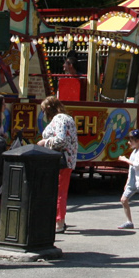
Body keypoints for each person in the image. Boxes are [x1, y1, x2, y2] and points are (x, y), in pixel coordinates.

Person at [39, 95, 78, 233]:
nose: (44, 114)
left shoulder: (59, 119)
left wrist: (44, 142)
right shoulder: (68, 118)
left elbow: (60, 140)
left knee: (58, 191)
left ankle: (59, 221)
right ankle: (59, 219)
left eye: (44, 111)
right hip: (67, 159)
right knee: (60, 191)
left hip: (60, 160)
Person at [117, 129, 139, 230]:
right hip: (133, 181)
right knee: (124, 199)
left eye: (131, 141)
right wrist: (128, 182)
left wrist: (125, 159)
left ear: (138, 141)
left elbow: (137, 165)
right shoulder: (135, 151)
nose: (129, 143)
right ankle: (129, 222)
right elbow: (131, 170)